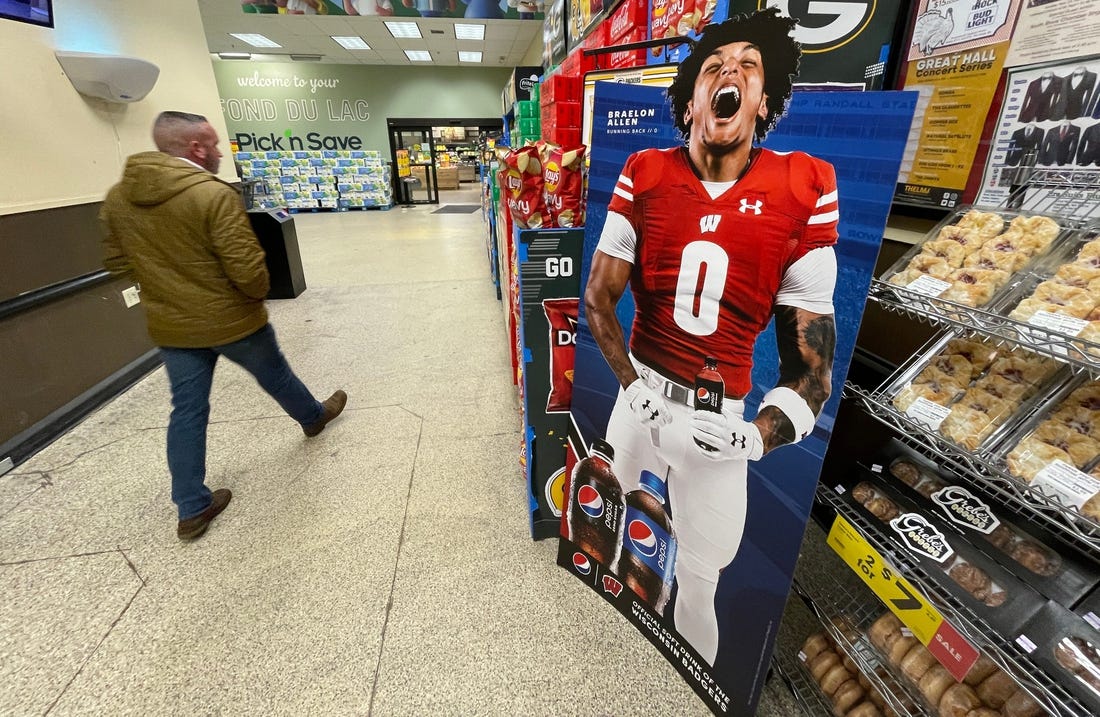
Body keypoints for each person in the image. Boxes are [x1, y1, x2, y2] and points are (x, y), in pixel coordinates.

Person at [583, 8, 838, 666]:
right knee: (613, 534)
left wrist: (755, 434)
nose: (731, 72)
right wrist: (633, 387)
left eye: (749, 65)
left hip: (719, 420)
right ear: (692, 98)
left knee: (699, 583)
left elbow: (812, 371)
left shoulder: (803, 186)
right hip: (640, 392)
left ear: (762, 98)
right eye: (714, 65)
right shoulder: (645, 170)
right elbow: (598, 300)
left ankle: (689, 680)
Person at [100, 111, 347, 541]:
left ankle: (192, 508)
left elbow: (117, 263)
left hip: (173, 327)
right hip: (232, 320)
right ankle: (312, 418)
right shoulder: (211, 194)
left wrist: (165, 289)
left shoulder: (118, 198)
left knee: (188, 410)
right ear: (195, 148)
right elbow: (248, 270)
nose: (219, 153)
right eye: (214, 145)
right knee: (276, 376)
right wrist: (249, 297)